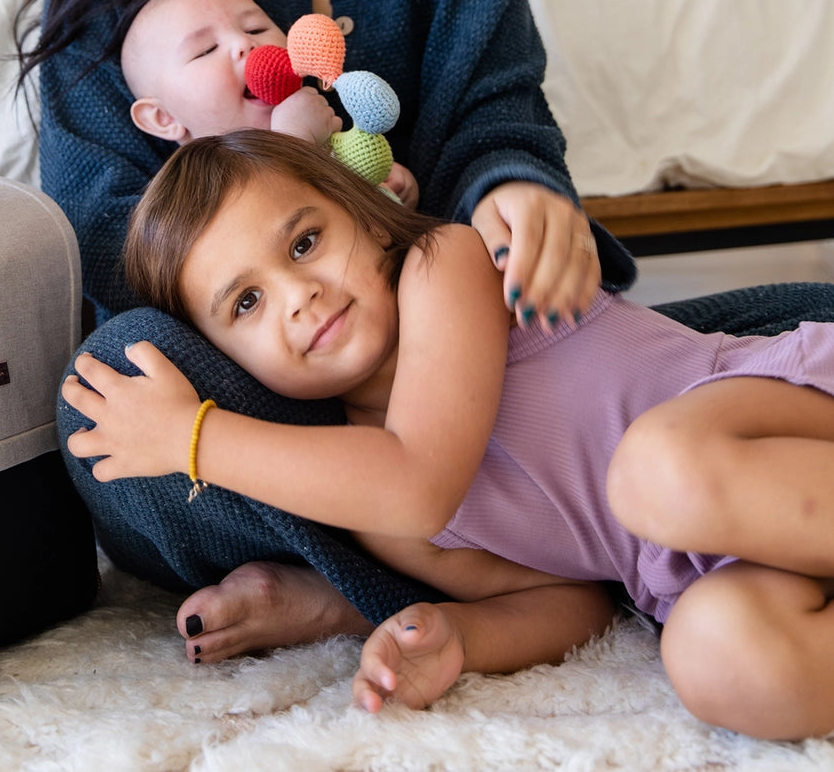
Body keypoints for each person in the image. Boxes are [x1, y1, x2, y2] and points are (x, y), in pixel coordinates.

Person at [22, 0, 834, 665]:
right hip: (262, 370)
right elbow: (102, 226)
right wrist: (278, 233)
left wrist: (515, 193)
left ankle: (421, 561)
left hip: (471, 337)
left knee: (775, 317)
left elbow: (498, 123)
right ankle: (389, 561)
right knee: (117, 372)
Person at [63, 130, 834, 741]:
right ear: (234, 366)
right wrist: (461, 636)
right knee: (716, 660)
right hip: (726, 563)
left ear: (367, 220)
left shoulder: (446, 265)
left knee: (657, 473)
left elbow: (418, 479)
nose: (301, 295)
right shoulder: (379, 518)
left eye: (304, 244)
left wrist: (192, 437)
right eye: (247, 305)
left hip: (782, 421)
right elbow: (572, 600)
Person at [120, 0, 417, 203]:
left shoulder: (329, 137)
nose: (244, 44)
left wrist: (379, 189)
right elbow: (267, 228)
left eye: (255, 29)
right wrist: (294, 142)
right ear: (163, 117)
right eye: (206, 50)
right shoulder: (190, 194)